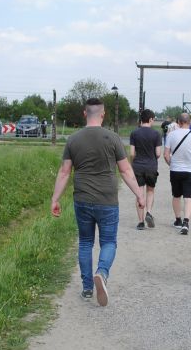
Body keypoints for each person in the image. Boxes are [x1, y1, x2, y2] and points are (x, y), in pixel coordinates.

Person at [51, 98, 146, 306]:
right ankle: (102, 273)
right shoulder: (112, 138)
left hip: (82, 198)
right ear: (102, 114)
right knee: (109, 242)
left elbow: (65, 172)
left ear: (85, 114)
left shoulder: (73, 139)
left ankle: (87, 288)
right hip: (107, 199)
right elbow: (126, 170)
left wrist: (55, 199)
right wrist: (139, 194)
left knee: (85, 242)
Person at [164, 112, 191, 235]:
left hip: (175, 170)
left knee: (176, 195)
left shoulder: (171, 135)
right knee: (188, 197)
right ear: (190, 122)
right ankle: (186, 222)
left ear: (178, 122)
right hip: (190, 170)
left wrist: (172, 164)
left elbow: (166, 154)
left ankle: (178, 220)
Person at [129, 109, 163, 230]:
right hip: (151, 166)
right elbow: (158, 153)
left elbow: (132, 153)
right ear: (150, 119)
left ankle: (140, 221)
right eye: (153, 119)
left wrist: (132, 162)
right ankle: (148, 212)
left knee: (139, 193)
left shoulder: (134, 133)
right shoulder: (156, 134)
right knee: (150, 191)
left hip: (138, 166)